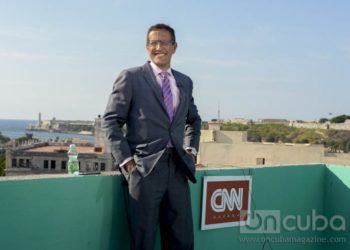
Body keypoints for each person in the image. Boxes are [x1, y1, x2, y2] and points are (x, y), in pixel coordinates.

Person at [103, 23, 201, 250]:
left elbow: (193, 120)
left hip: (178, 170)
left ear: (174, 47)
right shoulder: (131, 77)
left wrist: (191, 151)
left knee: (182, 241)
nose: (159, 47)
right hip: (144, 170)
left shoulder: (184, 81)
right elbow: (111, 121)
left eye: (164, 42)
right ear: (147, 47)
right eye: (153, 43)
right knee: (143, 241)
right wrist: (127, 164)